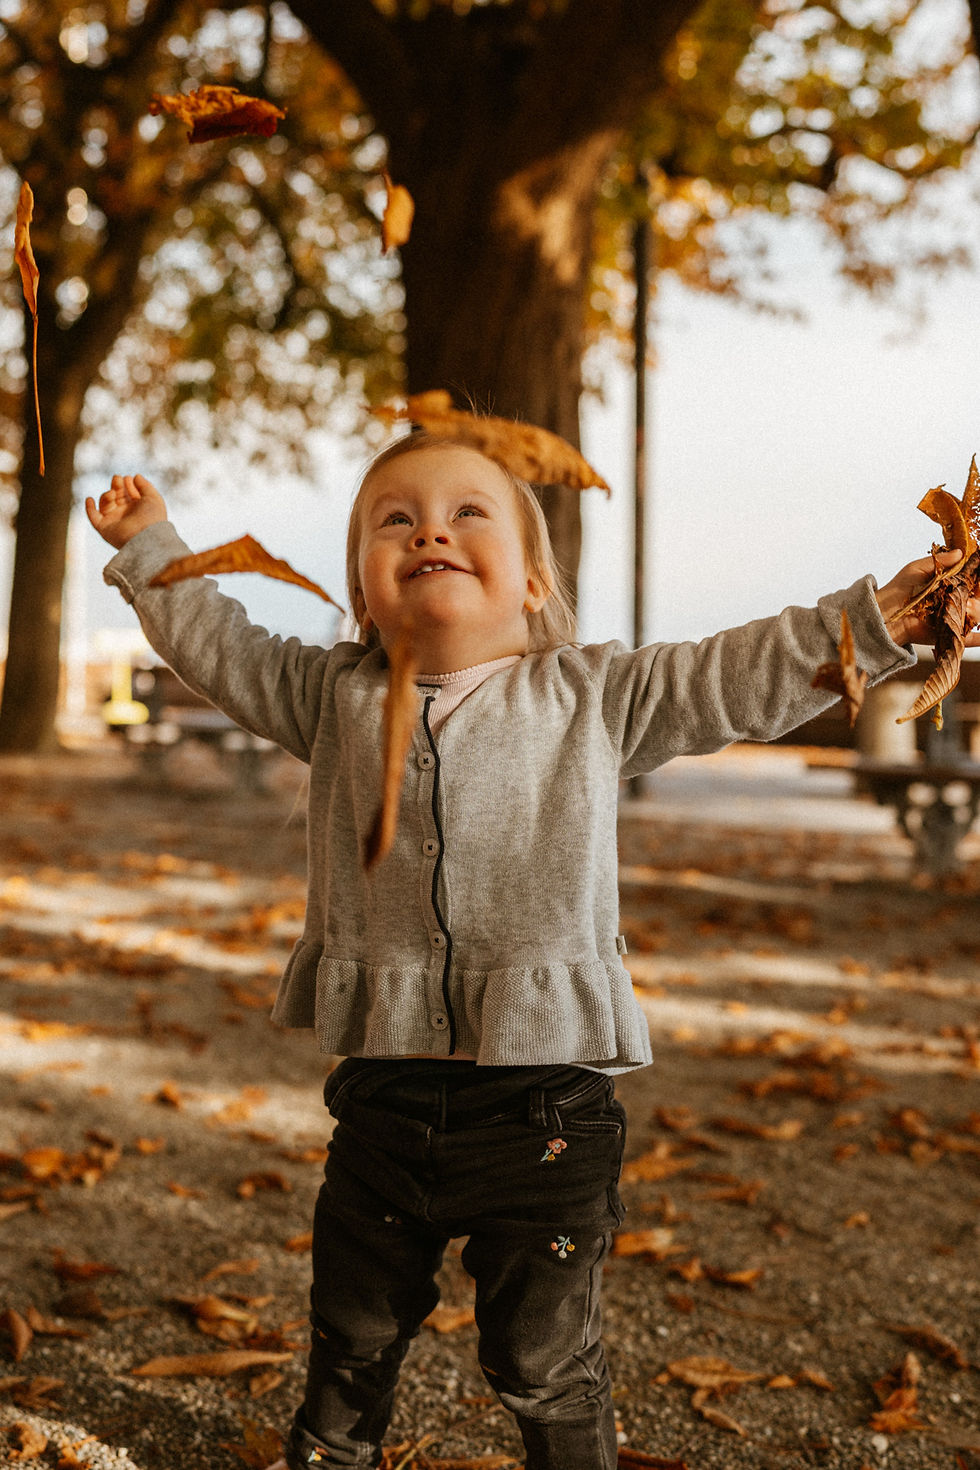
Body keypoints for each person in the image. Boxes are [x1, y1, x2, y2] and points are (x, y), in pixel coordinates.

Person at [87, 437, 979, 1470]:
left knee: (537, 1359)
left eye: (469, 513)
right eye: (393, 518)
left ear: (534, 581)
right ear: (361, 600)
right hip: (382, 1101)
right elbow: (218, 641)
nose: (428, 528)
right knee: (351, 1338)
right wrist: (149, 545)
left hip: (544, 1113)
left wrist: (884, 619)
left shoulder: (591, 697)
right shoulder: (330, 697)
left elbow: (739, 674)